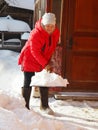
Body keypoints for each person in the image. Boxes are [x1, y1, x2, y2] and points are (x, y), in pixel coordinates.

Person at [18, 12, 60, 114]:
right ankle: (25, 107)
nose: (49, 28)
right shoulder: (36, 33)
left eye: (52, 26)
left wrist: (48, 61)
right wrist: (45, 64)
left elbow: (52, 47)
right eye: (47, 26)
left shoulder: (56, 32)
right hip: (30, 58)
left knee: (44, 81)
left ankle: (44, 106)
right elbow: (34, 51)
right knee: (28, 81)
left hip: (43, 59)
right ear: (43, 25)